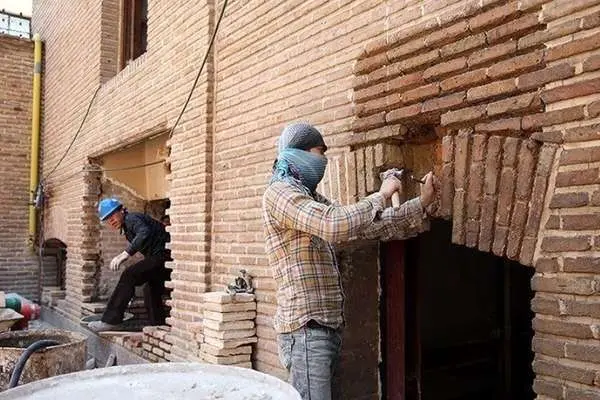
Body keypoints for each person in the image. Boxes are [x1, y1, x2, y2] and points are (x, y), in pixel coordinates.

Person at [262, 122, 437, 400]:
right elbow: (334, 224)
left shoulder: (312, 198)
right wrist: (381, 194)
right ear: (299, 152)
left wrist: (421, 203)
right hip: (306, 332)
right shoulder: (280, 193)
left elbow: (367, 226)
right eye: (320, 152)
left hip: (325, 329)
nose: (324, 160)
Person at [88, 198, 171, 332]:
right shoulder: (127, 227)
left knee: (129, 275)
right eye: (107, 219)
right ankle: (158, 326)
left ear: (122, 210)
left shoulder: (131, 218)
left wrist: (125, 254)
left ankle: (111, 321)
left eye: (112, 216)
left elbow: (144, 232)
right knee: (150, 288)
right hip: (162, 259)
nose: (111, 221)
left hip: (165, 256)